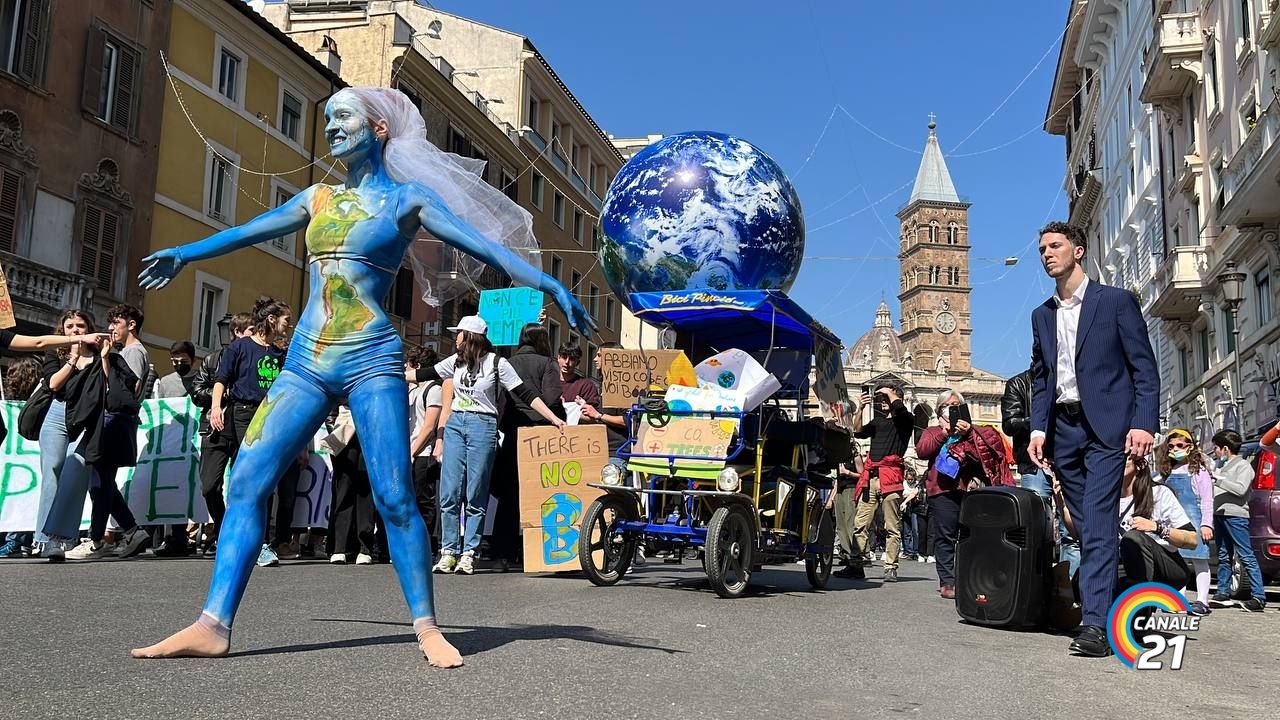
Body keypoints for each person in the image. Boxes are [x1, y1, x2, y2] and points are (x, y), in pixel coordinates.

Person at [132, 87, 591, 667]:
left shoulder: (407, 200)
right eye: (325, 119)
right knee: (246, 480)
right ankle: (213, 623)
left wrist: (548, 284)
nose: (330, 127)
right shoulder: (318, 198)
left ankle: (426, 627)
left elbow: (487, 246)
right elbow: (254, 227)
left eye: (342, 117)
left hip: (371, 357)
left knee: (396, 495)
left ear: (377, 129)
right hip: (306, 357)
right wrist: (188, 253)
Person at [1026, 221, 1158, 659]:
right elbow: (1041, 376)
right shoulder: (1042, 315)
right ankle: (1120, 598)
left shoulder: (1115, 302)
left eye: (1055, 246)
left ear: (1078, 251)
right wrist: (1039, 429)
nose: (1046, 253)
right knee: (1084, 525)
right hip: (1063, 431)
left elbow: (1144, 368)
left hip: (1107, 427)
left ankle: (1096, 625)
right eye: (1042, 248)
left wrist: (1143, 423)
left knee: (1098, 521)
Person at [420, 316, 566, 575]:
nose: (455, 338)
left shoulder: (498, 363)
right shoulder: (454, 362)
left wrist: (553, 418)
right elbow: (423, 374)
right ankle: (448, 552)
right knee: (449, 492)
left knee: (476, 492)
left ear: (470, 336)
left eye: (459, 333)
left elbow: (525, 394)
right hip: (455, 425)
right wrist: (384, 371)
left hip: (482, 426)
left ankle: (469, 553)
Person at [63, 305, 153, 561]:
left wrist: (106, 359)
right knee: (102, 481)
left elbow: (124, 388)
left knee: (100, 482)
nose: (111, 328)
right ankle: (132, 530)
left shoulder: (133, 352)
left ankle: (96, 540)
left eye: (116, 322)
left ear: (131, 324)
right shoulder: (125, 351)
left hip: (115, 420)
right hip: (115, 420)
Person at [212, 297, 297, 568]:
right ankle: (242, 539)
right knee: (245, 473)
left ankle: (258, 542)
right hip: (243, 413)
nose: (290, 325)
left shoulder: (280, 354)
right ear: (271, 320)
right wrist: (216, 407)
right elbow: (221, 380)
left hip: (271, 415)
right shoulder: (240, 347)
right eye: (286, 320)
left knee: (265, 478)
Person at [915, 390, 1014, 598]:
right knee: (946, 536)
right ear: (939, 410)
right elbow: (922, 450)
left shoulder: (972, 433)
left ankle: (970, 578)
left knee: (971, 536)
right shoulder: (932, 431)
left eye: (956, 405)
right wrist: (945, 433)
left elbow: (985, 456)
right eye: (947, 406)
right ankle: (948, 581)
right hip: (942, 490)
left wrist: (969, 433)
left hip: (970, 490)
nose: (951, 409)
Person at [1060, 455, 1196, 593]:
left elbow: (1192, 540)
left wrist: (1157, 528)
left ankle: (1139, 605)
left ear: (1139, 465)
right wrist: (1062, 503)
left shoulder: (1159, 493)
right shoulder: (1103, 497)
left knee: (1133, 538)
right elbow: (1079, 535)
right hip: (1122, 564)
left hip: (1166, 568)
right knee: (1081, 582)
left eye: (1125, 458)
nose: (1117, 462)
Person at [490, 322, 564, 570]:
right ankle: (534, 552)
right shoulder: (547, 363)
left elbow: (499, 398)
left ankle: (502, 551)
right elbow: (552, 398)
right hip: (540, 434)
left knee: (510, 495)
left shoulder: (506, 363)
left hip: (512, 432)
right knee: (541, 494)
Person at [1002, 366, 1080, 579]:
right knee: (1036, 529)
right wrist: (1041, 420)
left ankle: (1071, 590)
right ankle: (1038, 586)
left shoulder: (1068, 380)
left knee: (1071, 531)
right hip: (1034, 464)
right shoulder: (1018, 383)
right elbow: (1009, 424)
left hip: (1068, 462)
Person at [189, 312, 253, 554]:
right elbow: (197, 392)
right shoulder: (213, 359)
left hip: (243, 428)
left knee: (241, 485)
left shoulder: (253, 361)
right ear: (237, 333)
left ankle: (233, 537)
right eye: (249, 332)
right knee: (209, 486)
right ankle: (223, 525)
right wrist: (224, 395)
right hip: (213, 430)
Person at [848, 383, 914, 582]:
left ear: (896, 398)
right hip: (871, 477)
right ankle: (856, 565)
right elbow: (857, 430)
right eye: (882, 398)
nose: (883, 401)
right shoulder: (877, 423)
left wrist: (890, 393)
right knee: (861, 523)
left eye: (886, 397)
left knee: (892, 526)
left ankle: (891, 567)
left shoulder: (906, 421)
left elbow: (901, 410)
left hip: (891, 476)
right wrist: (860, 408)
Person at [1153, 429, 1214, 616]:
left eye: (1180, 445)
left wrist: (1207, 524)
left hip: (1195, 520)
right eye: (1171, 446)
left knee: (1200, 560)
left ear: (1190, 446)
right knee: (1176, 560)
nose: (1175, 449)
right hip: (1174, 522)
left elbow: (1207, 499)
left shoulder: (1199, 471)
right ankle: (1177, 599)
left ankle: (1202, 600)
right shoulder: (1166, 472)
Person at [1209, 428, 1265, 612]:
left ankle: (1258, 596)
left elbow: (1240, 490)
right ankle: (1223, 592)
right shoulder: (1221, 465)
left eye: (1216, 448)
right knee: (1224, 555)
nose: (1215, 452)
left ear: (1225, 448)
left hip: (1236, 515)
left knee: (1246, 555)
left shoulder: (1243, 466)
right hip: (1220, 514)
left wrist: (1218, 479)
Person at [407, 345, 443, 555]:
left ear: (418, 366)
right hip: (410, 451)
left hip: (422, 453)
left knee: (424, 501)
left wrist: (412, 451)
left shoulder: (434, 389)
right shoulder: (412, 390)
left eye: (408, 366)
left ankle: (427, 546)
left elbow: (429, 426)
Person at [557, 343, 599, 410]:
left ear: (578, 362)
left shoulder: (586, 386)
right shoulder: (548, 380)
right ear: (558, 358)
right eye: (564, 357)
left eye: (572, 359)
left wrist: (568, 408)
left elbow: (594, 415)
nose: (567, 362)